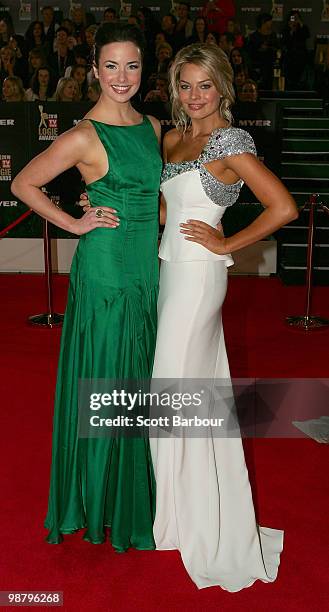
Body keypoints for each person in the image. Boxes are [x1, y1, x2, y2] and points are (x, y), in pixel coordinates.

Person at [150, 43, 298, 591]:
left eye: (203, 86)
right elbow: (167, 208)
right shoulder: (171, 138)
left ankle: (184, 519)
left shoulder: (229, 142)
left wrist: (227, 240)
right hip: (169, 272)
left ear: (222, 87)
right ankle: (177, 508)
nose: (194, 97)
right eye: (185, 86)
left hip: (200, 277)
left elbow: (282, 207)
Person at [11, 22, 162, 552]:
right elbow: (22, 182)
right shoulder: (82, 134)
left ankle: (134, 492)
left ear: (144, 70)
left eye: (133, 65)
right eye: (112, 66)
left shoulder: (154, 125)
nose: (122, 77)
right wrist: (76, 223)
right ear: (94, 70)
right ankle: (100, 502)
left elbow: (154, 198)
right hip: (106, 273)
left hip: (147, 270)